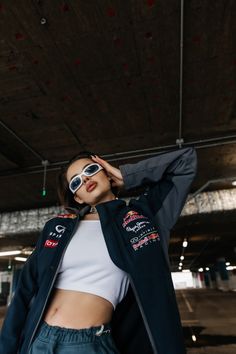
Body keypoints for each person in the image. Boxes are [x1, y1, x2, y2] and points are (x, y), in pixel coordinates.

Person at [0, 146, 197, 354]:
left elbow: (185, 162)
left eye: (90, 169)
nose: (84, 180)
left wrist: (127, 176)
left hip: (88, 344)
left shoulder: (144, 216)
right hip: (39, 340)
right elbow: (24, 290)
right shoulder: (58, 227)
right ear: (78, 198)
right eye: (75, 181)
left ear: (106, 172)